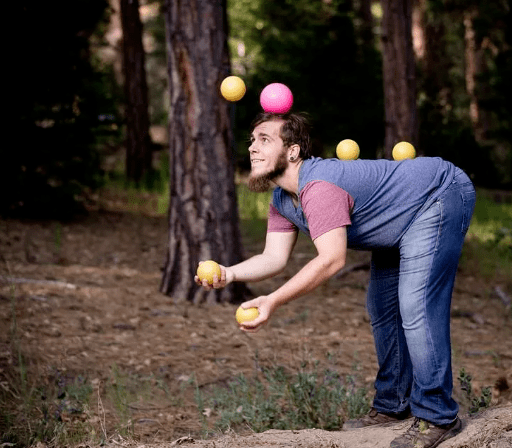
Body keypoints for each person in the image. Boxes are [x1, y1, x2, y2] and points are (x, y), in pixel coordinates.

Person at [196, 112, 476, 448]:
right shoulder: (284, 199)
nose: (253, 148)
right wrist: (230, 274)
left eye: (264, 140)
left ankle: (437, 414)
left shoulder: (318, 187)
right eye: (252, 141)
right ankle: (393, 404)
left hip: (438, 194)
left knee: (416, 306)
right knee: (382, 309)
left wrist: (272, 300)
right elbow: (274, 257)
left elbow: (331, 260)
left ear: (293, 152)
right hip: (398, 220)